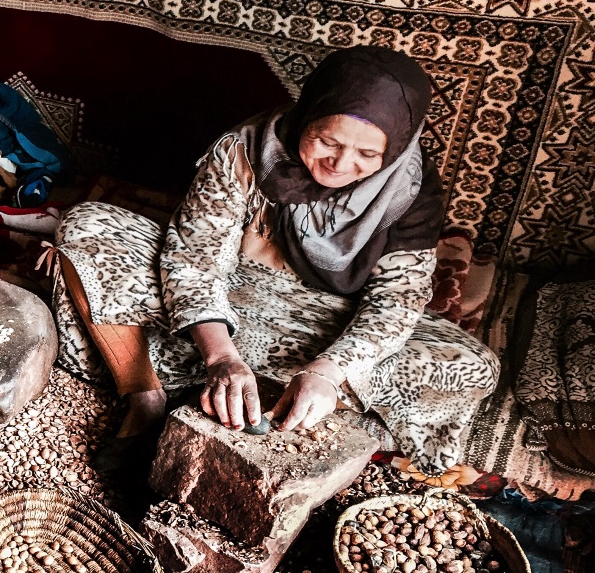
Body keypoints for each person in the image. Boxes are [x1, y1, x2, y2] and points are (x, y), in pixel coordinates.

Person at [52, 45, 499, 475]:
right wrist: (221, 355)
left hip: (323, 320)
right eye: (327, 140)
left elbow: (396, 301)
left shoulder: (410, 192)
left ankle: (298, 396)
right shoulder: (247, 149)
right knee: (88, 225)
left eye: (367, 155)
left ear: (396, 148)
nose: (340, 165)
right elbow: (195, 257)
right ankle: (146, 391)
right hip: (223, 297)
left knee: (471, 363)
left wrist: (329, 371)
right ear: (307, 114)